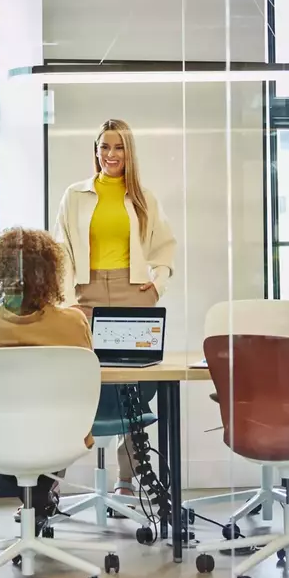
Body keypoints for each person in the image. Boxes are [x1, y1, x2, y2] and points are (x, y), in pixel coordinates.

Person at [52, 118, 176, 500]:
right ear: (95, 151)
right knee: (75, 383)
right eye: (104, 147)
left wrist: (156, 285)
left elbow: (165, 248)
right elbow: (61, 252)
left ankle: (129, 477)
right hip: (85, 294)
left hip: (131, 291)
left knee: (133, 387)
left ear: (129, 152)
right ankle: (50, 483)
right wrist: (70, 303)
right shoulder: (75, 195)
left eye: (118, 147)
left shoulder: (143, 198)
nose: (110, 155)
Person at [0, 226, 95, 523]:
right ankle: (41, 502)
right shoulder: (73, 321)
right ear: (51, 274)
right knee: (52, 417)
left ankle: (36, 504)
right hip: (61, 436)